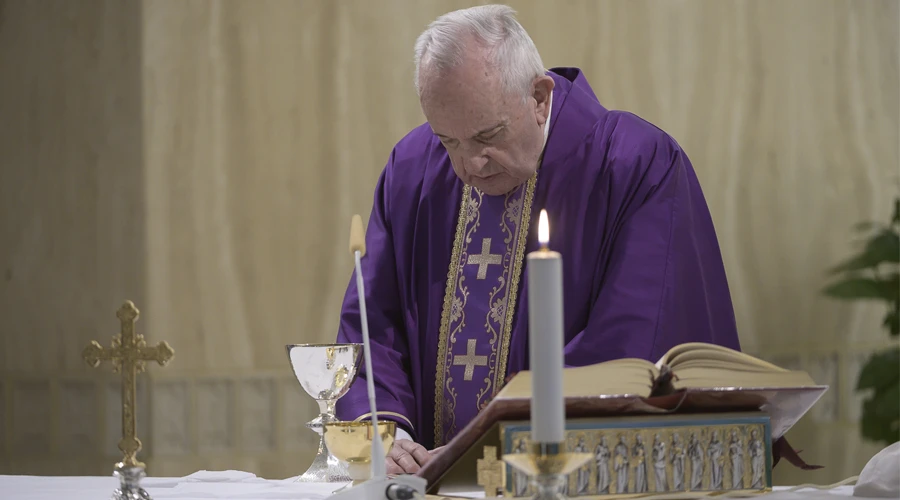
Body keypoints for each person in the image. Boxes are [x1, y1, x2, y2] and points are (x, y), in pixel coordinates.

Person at [334, 4, 741, 475]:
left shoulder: (635, 164)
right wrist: (389, 434)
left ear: (540, 97)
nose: (469, 166)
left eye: (488, 135)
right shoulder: (413, 169)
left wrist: (494, 442)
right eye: (448, 140)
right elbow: (372, 325)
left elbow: (635, 340)